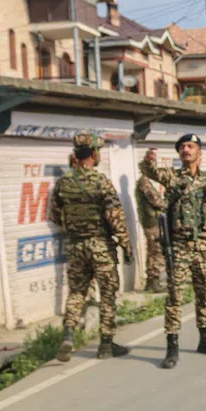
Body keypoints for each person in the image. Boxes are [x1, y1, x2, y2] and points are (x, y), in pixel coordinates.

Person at [141, 134, 206, 369]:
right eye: (182, 146)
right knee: (175, 298)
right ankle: (172, 347)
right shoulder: (173, 178)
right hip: (180, 248)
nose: (185, 149)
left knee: (205, 295)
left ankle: (205, 339)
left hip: (203, 247)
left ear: (199, 152)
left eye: (190, 146)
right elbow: (149, 171)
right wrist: (149, 158)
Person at [50, 131, 133, 362]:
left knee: (77, 292)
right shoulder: (101, 182)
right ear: (94, 154)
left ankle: (68, 334)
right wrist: (126, 246)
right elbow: (115, 217)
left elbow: (55, 216)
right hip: (101, 247)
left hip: (76, 247)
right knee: (107, 294)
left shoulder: (62, 184)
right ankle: (106, 345)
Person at [135, 148, 168, 293]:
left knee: (153, 250)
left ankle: (151, 281)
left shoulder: (146, 181)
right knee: (156, 250)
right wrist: (169, 205)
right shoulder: (144, 182)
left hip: (152, 220)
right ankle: (154, 280)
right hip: (152, 222)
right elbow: (156, 200)